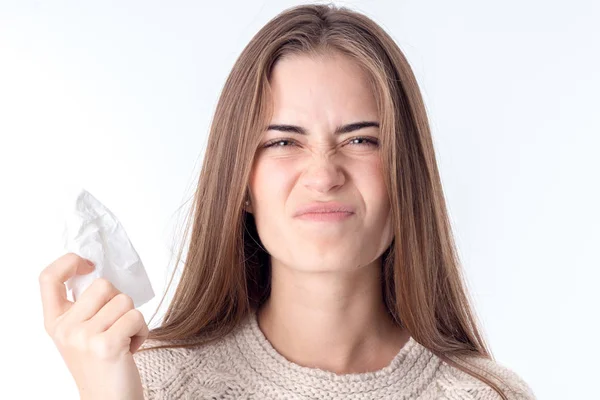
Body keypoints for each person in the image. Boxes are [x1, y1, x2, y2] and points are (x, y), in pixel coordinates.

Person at [39, 3, 537, 400]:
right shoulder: (145, 383)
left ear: (407, 177)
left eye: (361, 140)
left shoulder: (487, 395)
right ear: (242, 184)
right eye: (282, 141)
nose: (323, 174)